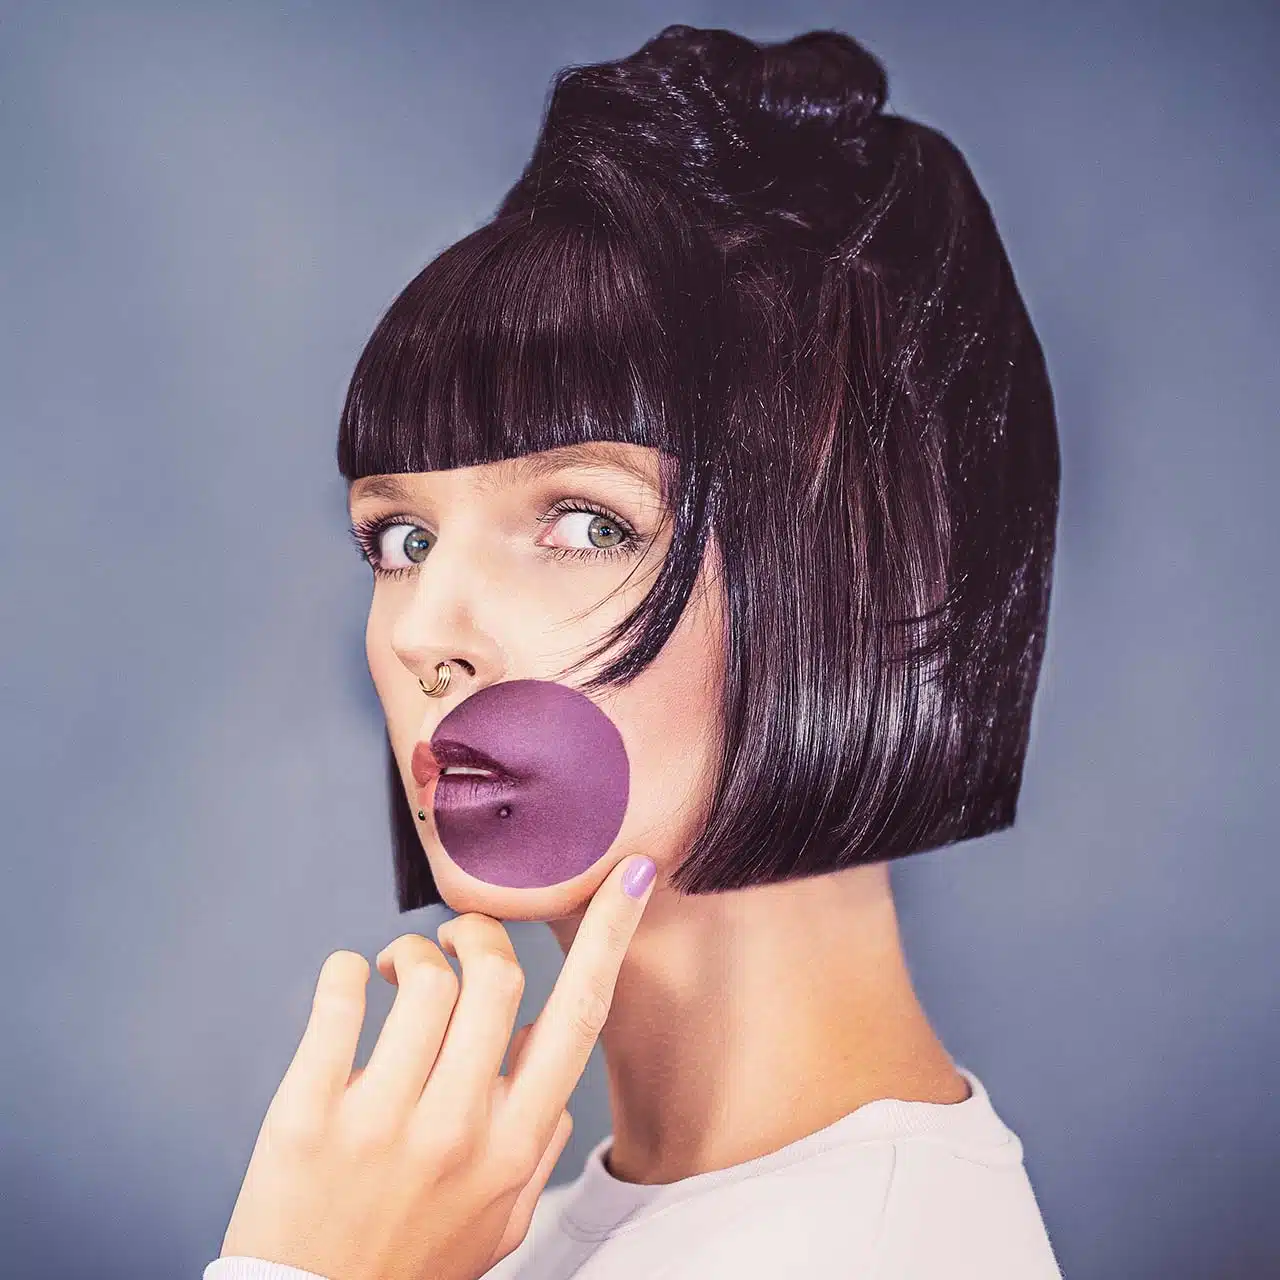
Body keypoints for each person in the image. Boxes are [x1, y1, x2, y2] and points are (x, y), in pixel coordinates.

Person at [207, 23, 1064, 1279]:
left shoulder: (870, 1252)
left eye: (585, 521)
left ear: (862, 569)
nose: (427, 630)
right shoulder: (516, 1234)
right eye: (400, 539)